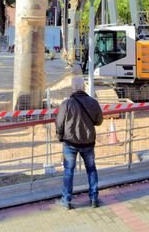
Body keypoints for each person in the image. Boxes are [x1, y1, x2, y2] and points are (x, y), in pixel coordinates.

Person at [55, 76, 103, 209]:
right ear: (83, 87)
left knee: (68, 171)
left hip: (70, 143)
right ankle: (94, 198)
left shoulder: (67, 104)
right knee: (91, 169)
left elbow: (59, 123)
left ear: (73, 87)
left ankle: (66, 200)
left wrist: (60, 136)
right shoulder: (93, 102)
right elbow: (99, 121)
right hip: (88, 143)